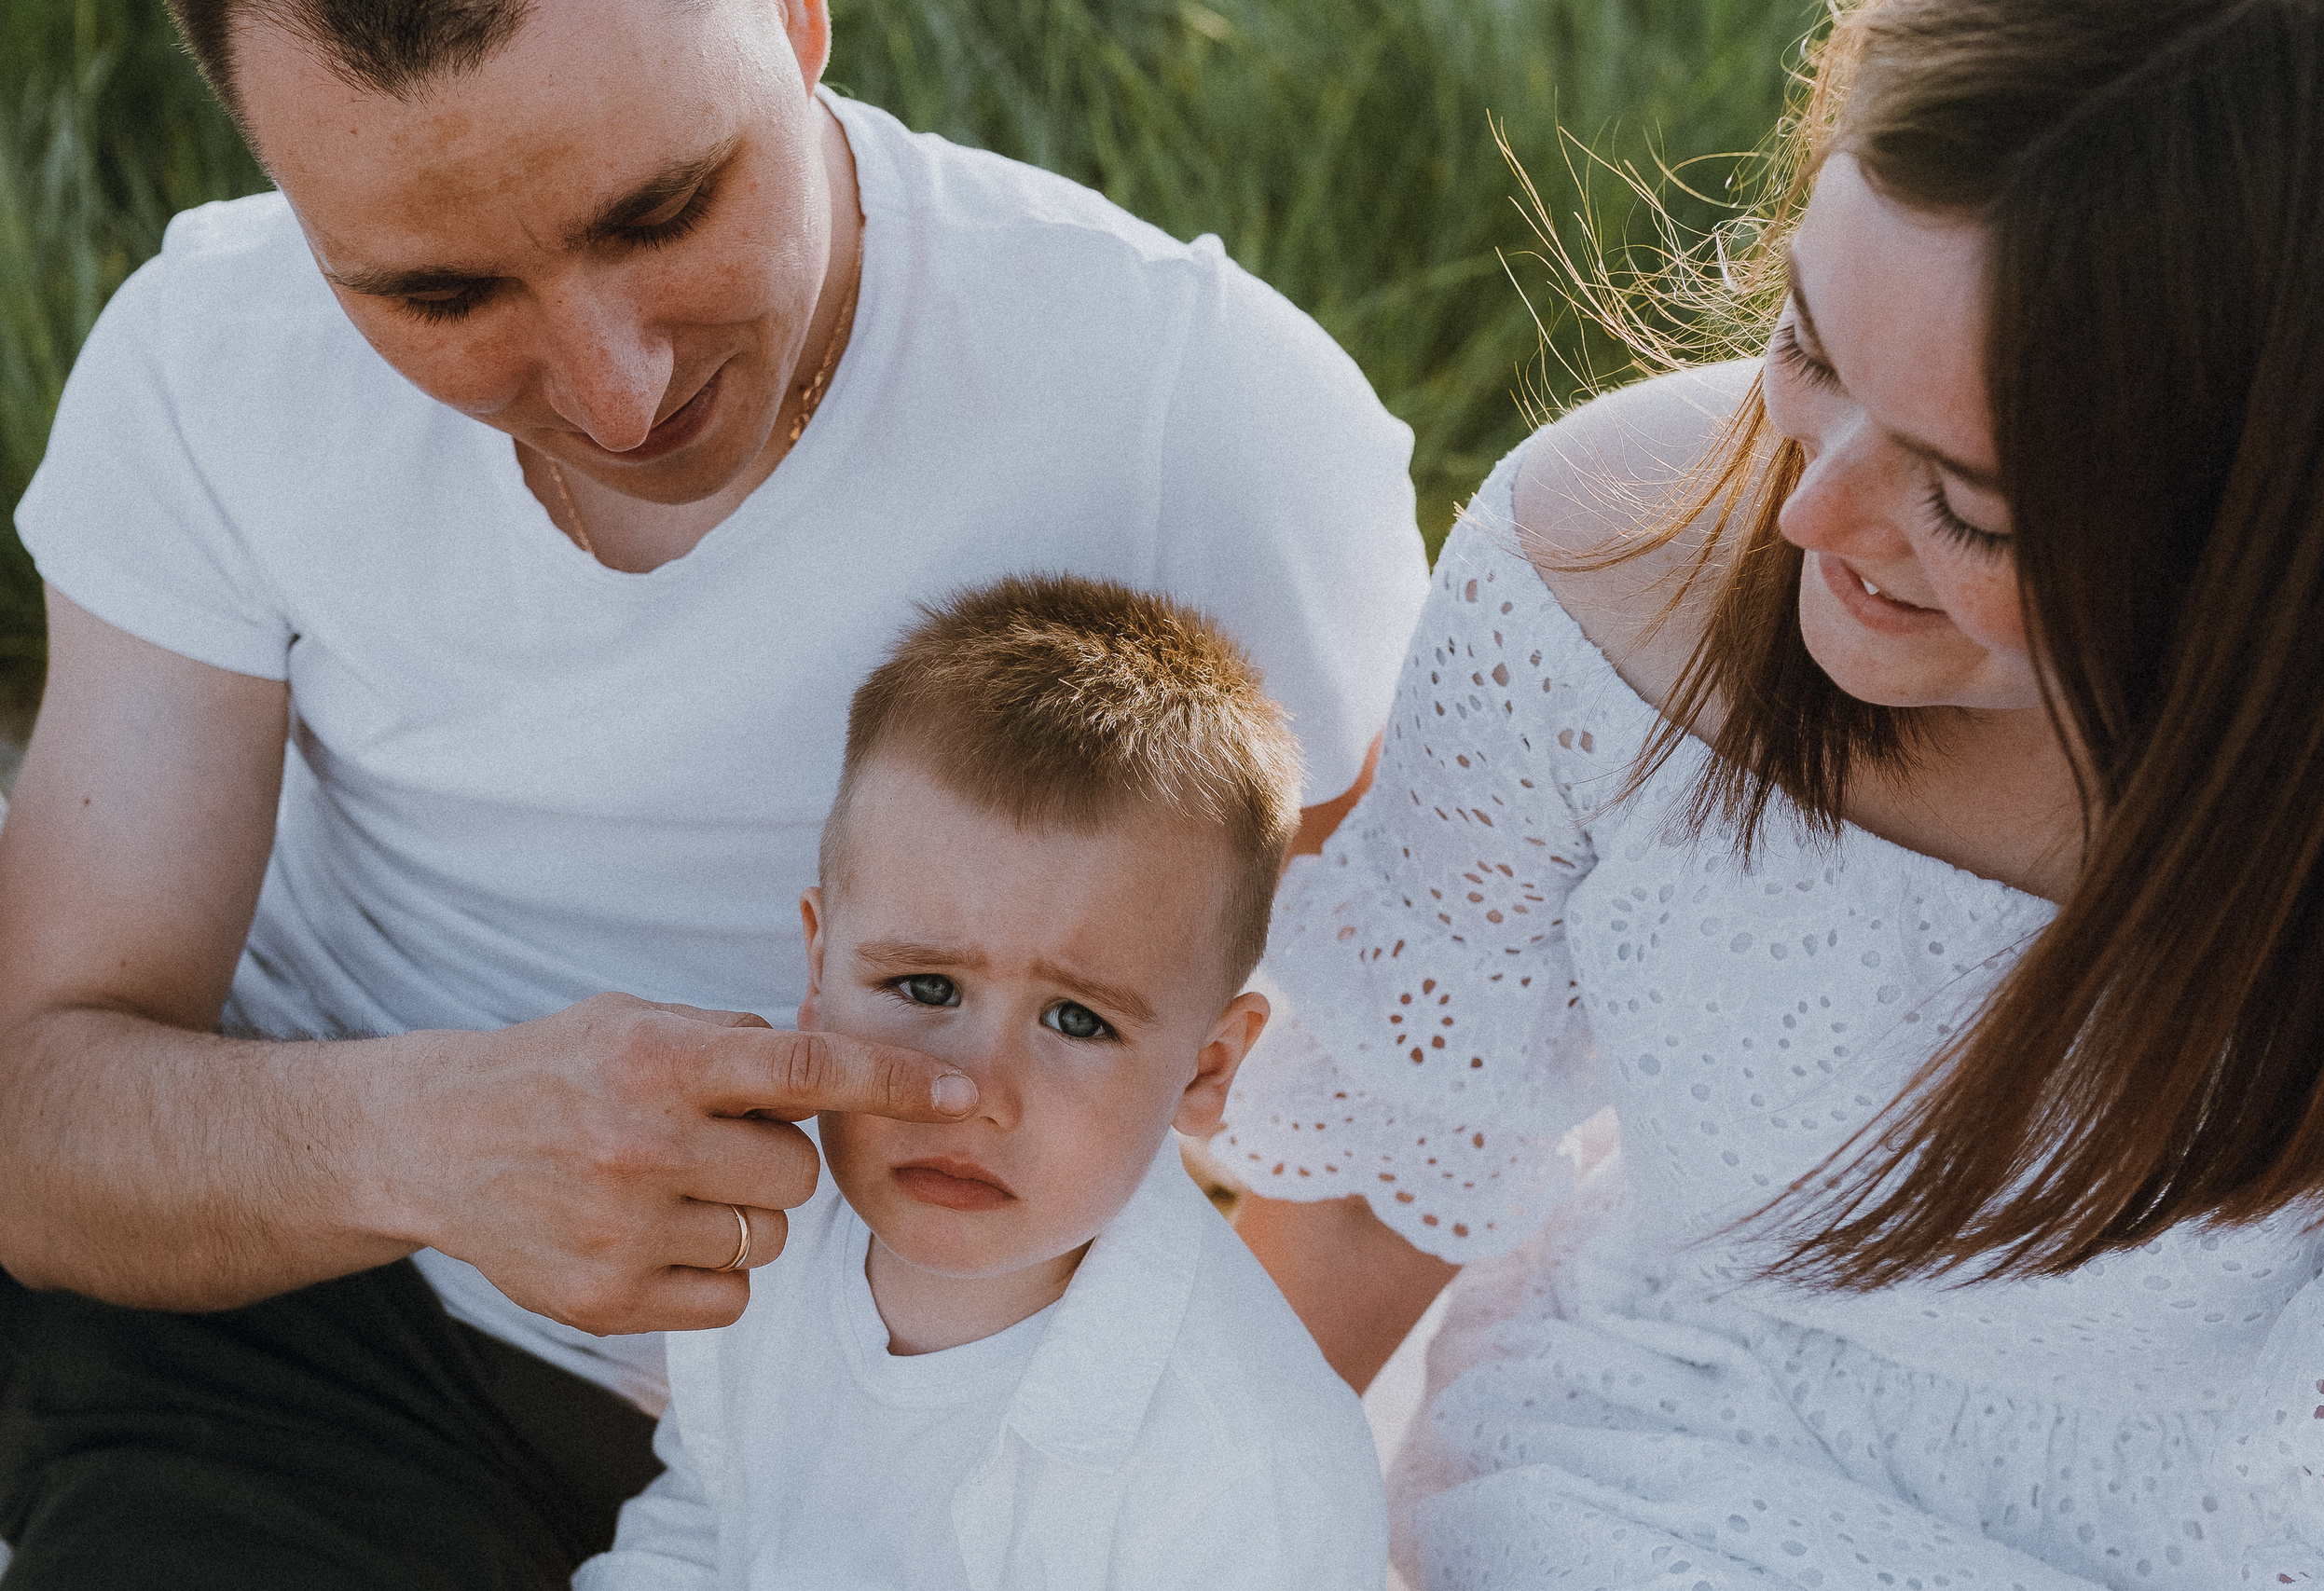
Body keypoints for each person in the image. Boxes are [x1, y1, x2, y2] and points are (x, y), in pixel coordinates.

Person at [0, 0, 1425, 1582]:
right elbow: (33, 1112)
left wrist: (1067, 1476)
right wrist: (420, 1145)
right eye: (440, 294)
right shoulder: (213, 360)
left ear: (800, 19)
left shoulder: (1204, 417)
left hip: (942, 1413)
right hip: (346, 1330)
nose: (617, 395)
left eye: (664, 210)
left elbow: (1385, 1099)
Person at [1219, 0, 2324, 1584]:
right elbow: (1375, 1186)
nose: (1812, 509)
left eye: (1967, 506)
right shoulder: (1608, 573)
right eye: (1804, 349)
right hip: (1663, 1448)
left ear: (2279, 530)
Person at [576, 575, 1387, 1590]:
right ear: (819, 978)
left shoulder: (1243, 1473)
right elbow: (709, 1510)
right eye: (924, 986)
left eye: (1078, 1020)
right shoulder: (766, 1226)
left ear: (1207, 1069)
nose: (970, 1091)